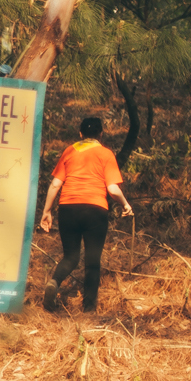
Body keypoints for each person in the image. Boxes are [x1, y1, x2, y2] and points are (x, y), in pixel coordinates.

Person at [38, 116, 133, 313]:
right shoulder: (106, 154)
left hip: (68, 209)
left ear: (80, 134)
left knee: (71, 257)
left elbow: (56, 184)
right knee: (92, 261)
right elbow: (113, 189)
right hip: (95, 211)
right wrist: (125, 205)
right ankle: (88, 310)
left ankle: (54, 282)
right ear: (101, 134)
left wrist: (46, 211)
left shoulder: (69, 151)